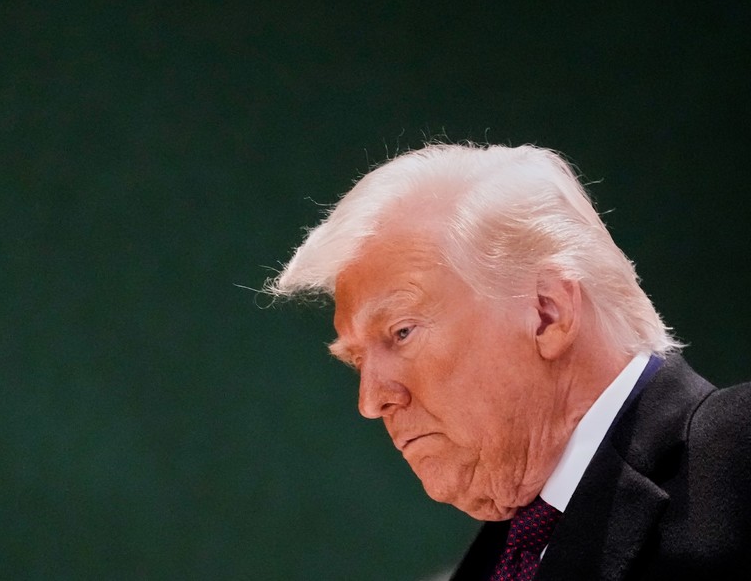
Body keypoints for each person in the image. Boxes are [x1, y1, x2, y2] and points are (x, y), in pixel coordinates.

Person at [266, 143, 751, 579]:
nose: (371, 401)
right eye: (356, 360)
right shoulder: (501, 560)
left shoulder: (737, 457)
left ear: (547, 313)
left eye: (401, 332)